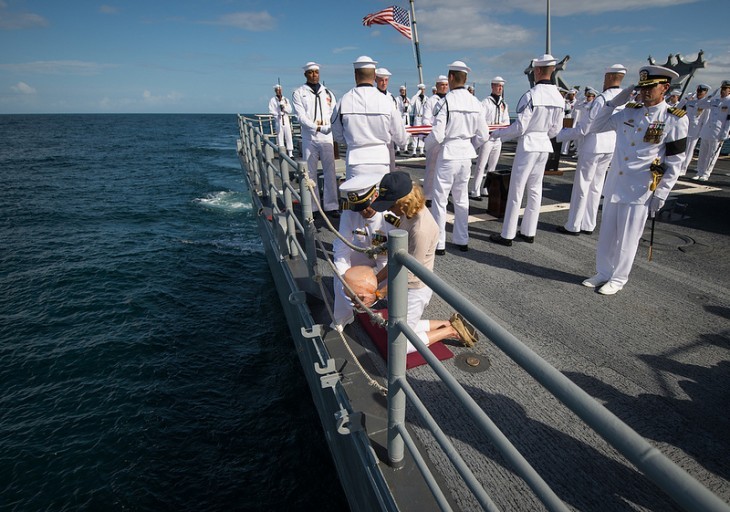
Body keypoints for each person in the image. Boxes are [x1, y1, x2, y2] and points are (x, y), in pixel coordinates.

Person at [582, 65, 689, 295]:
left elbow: (675, 162)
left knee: (627, 238)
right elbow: (594, 126)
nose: (645, 91)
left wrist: (661, 193)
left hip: (641, 188)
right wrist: (611, 103)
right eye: (643, 87)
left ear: (665, 88)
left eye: (651, 87)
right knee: (608, 235)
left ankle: (619, 278)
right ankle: (603, 272)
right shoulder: (629, 112)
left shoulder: (674, 119)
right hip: (615, 184)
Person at [370, 172, 478, 351]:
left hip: (414, 289)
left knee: (398, 346)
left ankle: (450, 330)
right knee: (397, 326)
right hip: (404, 285)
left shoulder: (420, 229)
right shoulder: (409, 213)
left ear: (403, 201)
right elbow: (396, 260)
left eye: (390, 205)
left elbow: (409, 272)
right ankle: (449, 323)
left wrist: (377, 293)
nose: (388, 210)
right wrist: (374, 283)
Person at [489, 54, 565, 246]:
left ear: (537, 71)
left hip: (529, 144)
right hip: (543, 145)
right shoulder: (558, 96)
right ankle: (529, 231)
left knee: (517, 189)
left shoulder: (531, 95)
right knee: (535, 189)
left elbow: (520, 127)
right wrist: (542, 135)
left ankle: (508, 234)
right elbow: (556, 129)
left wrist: (498, 134)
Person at [555, 64, 627, 236]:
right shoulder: (625, 99)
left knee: (582, 185)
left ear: (609, 77)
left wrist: (560, 135)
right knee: (596, 186)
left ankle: (573, 225)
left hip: (593, 145)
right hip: (610, 147)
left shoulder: (602, 99)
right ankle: (589, 224)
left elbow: (584, 128)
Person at [425, 61, 489, 254]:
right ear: (466, 79)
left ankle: (440, 243)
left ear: (451, 78)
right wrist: (470, 145)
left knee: (440, 199)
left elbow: (437, 134)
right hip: (465, 155)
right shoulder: (475, 102)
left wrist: (426, 148)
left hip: (449, 153)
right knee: (461, 199)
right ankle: (462, 239)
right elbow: (484, 135)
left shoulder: (446, 102)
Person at [331, 173, 400, 331]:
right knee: (339, 274)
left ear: (375, 195)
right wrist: (346, 284)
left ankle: (394, 312)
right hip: (361, 252)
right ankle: (343, 316)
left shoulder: (390, 215)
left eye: (365, 206)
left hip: (386, 257)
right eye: (359, 208)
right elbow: (342, 249)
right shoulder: (349, 213)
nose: (362, 212)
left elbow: (398, 254)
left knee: (395, 285)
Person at [331, 57, 407, 181]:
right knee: (380, 199)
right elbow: (401, 138)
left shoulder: (344, 101)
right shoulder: (388, 102)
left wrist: (352, 142)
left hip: (355, 161)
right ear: (374, 76)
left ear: (356, 75)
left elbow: (337, 135)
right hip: (381, 161)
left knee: (357, 199)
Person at [292, 61, 340, 217]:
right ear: (305, 74)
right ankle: (313, 207)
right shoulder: (299, 93)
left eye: (316, 72)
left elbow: (334, 113)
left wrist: (330, 127)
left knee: (330, 172)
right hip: (310, 137)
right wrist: (317, 127)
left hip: (327, 136)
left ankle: (331, 205)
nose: (314, 75)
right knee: (310, 173)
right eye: (311, 72)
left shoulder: (328, 93)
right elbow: (301, 116)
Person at [470, 76, 510, 200]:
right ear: (492, 86)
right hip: (487, 138)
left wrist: (500, 128)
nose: (500, 88)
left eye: (501, 86)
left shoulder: (503, 104)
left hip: (498, 138)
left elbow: (506, 120)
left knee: (492, 166)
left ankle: (486, 187)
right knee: (481, 165)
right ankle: (474, 190)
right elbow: (481, 121)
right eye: (498, 86)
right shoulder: (485, 103)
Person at [692, 80, 730, 181]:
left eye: (725, 89)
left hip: (719, 132)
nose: (722, 91)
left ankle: (706, 173)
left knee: (712, 154)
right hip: (707, 131)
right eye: (722, 89)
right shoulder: (715, 100)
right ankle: (699, 172)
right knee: (702, 153)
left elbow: (729, 120)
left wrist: (725, 134)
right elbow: (699, 105)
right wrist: (710, 95)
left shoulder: (729, 102)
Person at [422, 75, 449, 204]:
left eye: (446, 85)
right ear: (437, 86)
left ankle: (443, 195)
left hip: (447, 140)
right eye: (442, 85)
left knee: (445, 170)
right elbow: (426, 120)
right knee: (431, 170)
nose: (444, 87)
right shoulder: (431, 101)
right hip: (434, 138)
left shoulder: (450, 100)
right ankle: (428, 195)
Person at [678, 83, 710, 175]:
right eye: (698, 91)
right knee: (682, 149)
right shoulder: (691, 101)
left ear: (706, 92)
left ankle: (683, 169)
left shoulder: (706, 104)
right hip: (685, 128)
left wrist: (702, 132)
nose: (699, 93)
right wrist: (686, 99)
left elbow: (706, 120)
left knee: (689, 150)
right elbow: (679, 108)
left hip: (695, 130)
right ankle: (679, 166)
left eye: (701, 91)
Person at [375, 67, 400, 172]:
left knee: (391, 165)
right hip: (378, 136)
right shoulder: (373, 96)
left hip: (390, 136)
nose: (384, 83)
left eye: (386, 80)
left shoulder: (391, 98)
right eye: (381, 80)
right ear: (376, 80)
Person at [268, 84, 293, 157]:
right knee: (280, 136)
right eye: (277, 90)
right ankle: (282, 152)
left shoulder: (285, 100)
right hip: (278, 120)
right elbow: (271, 110)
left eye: (279, 90)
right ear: (275, 91)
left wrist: (284, 108)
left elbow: (290, 110)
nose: (278, 91)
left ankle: (290, 153)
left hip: (285, 119)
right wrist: (277, 114)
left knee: (288, 135)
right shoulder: (273, 100)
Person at [409, 83, 429, 156]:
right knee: (415, 134)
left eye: (423, 89)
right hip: (417, 117)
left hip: (423, 117)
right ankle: (414, 151)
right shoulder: (416, 98)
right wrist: (417, 94)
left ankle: (421, 151)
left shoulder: (427, 98)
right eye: (421, 89)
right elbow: (411, 103)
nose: (422, 91)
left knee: (422, 134)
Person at [395, 85, 411, 155]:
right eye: (401, 90)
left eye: (404, 91)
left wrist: (407, 107)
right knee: (399, 132)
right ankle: (398, 149)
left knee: (407, 133)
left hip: (406, 118)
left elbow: (410, 109)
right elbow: (396, 108)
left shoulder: (408, 99)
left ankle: (406, 148)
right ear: (400, 91)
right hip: (400, 117)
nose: (403, 92)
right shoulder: (397, 99)